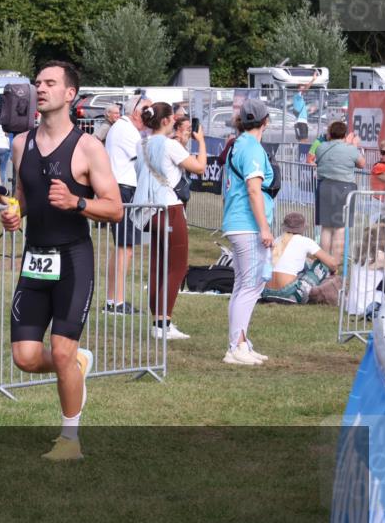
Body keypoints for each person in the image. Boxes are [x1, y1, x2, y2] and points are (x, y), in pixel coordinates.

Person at [0, 61, 124, 461]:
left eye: (50, 83)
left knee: (62, 348)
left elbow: (116, 208)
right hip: (34, 258)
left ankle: (70, 438)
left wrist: (78, 202)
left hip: (73, 259)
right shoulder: (22, 144)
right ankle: (77, 363)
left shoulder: (88, 148)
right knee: (25, 357)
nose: (41, 89)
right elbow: (20, 192)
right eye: (38, 83)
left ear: (71, 94)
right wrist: (14, 213)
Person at [133, 102, 207, 340]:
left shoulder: (141, 143)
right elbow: (199, 168)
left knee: (158, 265)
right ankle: (164, 323)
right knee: (177, 266)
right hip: (170, 209)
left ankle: (158, 322)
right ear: (166, 121)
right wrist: (201, 141)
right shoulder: (169, 145)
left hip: (149, 210)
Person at [221, 97, 275, 366]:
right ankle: (236, 346)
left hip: (238, 222)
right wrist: (264, 227)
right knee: (251, 287)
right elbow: (254, 190)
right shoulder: (252, 148)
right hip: (248, 225)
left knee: (242, 286)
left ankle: (240, 342)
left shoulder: (238, 144)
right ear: (265, 122)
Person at [103, 93, 151, 314]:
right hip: (124, 190)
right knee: (126, 248)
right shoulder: (126, 130)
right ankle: (117, 302)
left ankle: (114, 299)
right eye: (147, 112)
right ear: (136, 113)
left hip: (121, 188)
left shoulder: (123, 128)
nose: (150, 117)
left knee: (122, 247)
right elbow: (147, 158)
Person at [261, 212, 338, 303]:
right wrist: (334, 270)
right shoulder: (306, 241)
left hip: (266, 291)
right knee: (323, 264)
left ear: (284, 227)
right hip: (287, 292)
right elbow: (332, 264)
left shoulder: (277, 240)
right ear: (303, 228)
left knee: (305, 263)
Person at [315, 121, 365, 261]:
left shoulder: (321, 147)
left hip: (324, 186)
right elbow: (362, 164)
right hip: (344, 189)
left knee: (326, 227)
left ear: (330, 133)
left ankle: (323, 262)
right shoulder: (350, 149)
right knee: (340, 228)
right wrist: (354, 146)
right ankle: (335, 264)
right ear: (344, 134)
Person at [292, 69, 320, 144]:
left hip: (302, 121)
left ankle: (301, 154)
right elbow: (305, 89)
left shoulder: (299, 98)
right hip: (300, 122)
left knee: (304, 140)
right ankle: (302, 154)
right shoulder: (298, 95)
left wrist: (310, 110)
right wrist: (313, 80)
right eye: (302, 87)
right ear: (298, 89)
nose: (304, 88)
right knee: (303, 141)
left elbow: (300, 108)